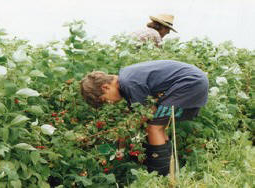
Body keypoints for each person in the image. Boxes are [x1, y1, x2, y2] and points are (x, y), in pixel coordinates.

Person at [80, 60, 209, 176]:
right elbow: (143, 111)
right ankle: (169, 172)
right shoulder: (126, 78)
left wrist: (123, 135)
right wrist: (123, 137)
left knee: (154, 127)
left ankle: (162, 176)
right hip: (192, 80)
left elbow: (146, 112)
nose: (110, 103)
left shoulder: (128, 83)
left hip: (190, 82)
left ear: (105, 87)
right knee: (157, 124)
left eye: (105, 100)